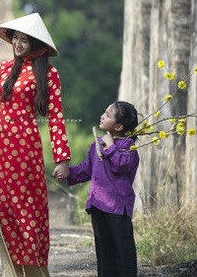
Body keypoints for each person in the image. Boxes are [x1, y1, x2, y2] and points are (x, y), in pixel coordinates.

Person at [0, 13, 71, 276]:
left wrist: (62, 158)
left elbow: (56, 117)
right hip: (0, 152)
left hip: (27, 148)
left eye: (24, 40)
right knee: (5, 209)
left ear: (36, 44)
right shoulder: (2, 70)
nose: (17, 43)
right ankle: (11, 272)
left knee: (29, 210)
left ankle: (35, 271)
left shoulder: (49, 74)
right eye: (15, 38)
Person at [64, 101, 140, 277]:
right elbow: (87, 169)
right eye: (104, 113)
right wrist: (67, 172)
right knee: (104, 251)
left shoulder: (128, 146)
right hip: (98, 204)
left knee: (123, 250)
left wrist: (111, 146)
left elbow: (121, 165)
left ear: (119, 126)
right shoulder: (97, 144)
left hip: (117, 207)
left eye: (107, 115)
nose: (102, 116)